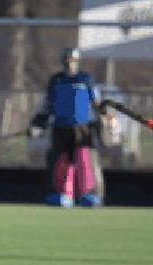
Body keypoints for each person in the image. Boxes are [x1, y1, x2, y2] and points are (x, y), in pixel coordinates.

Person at [38, 48, 108, 208]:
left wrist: (105, 116)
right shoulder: (56, 80)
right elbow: (48, 104)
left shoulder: (85, 79)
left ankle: (88, 194)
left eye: (73, 60)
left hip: (82, 128)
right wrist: (39, 123)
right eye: (67, 60)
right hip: (61, 127)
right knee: (62, 161)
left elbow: (96, 102)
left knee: (84, 159)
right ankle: (63, 193)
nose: (70, 63)